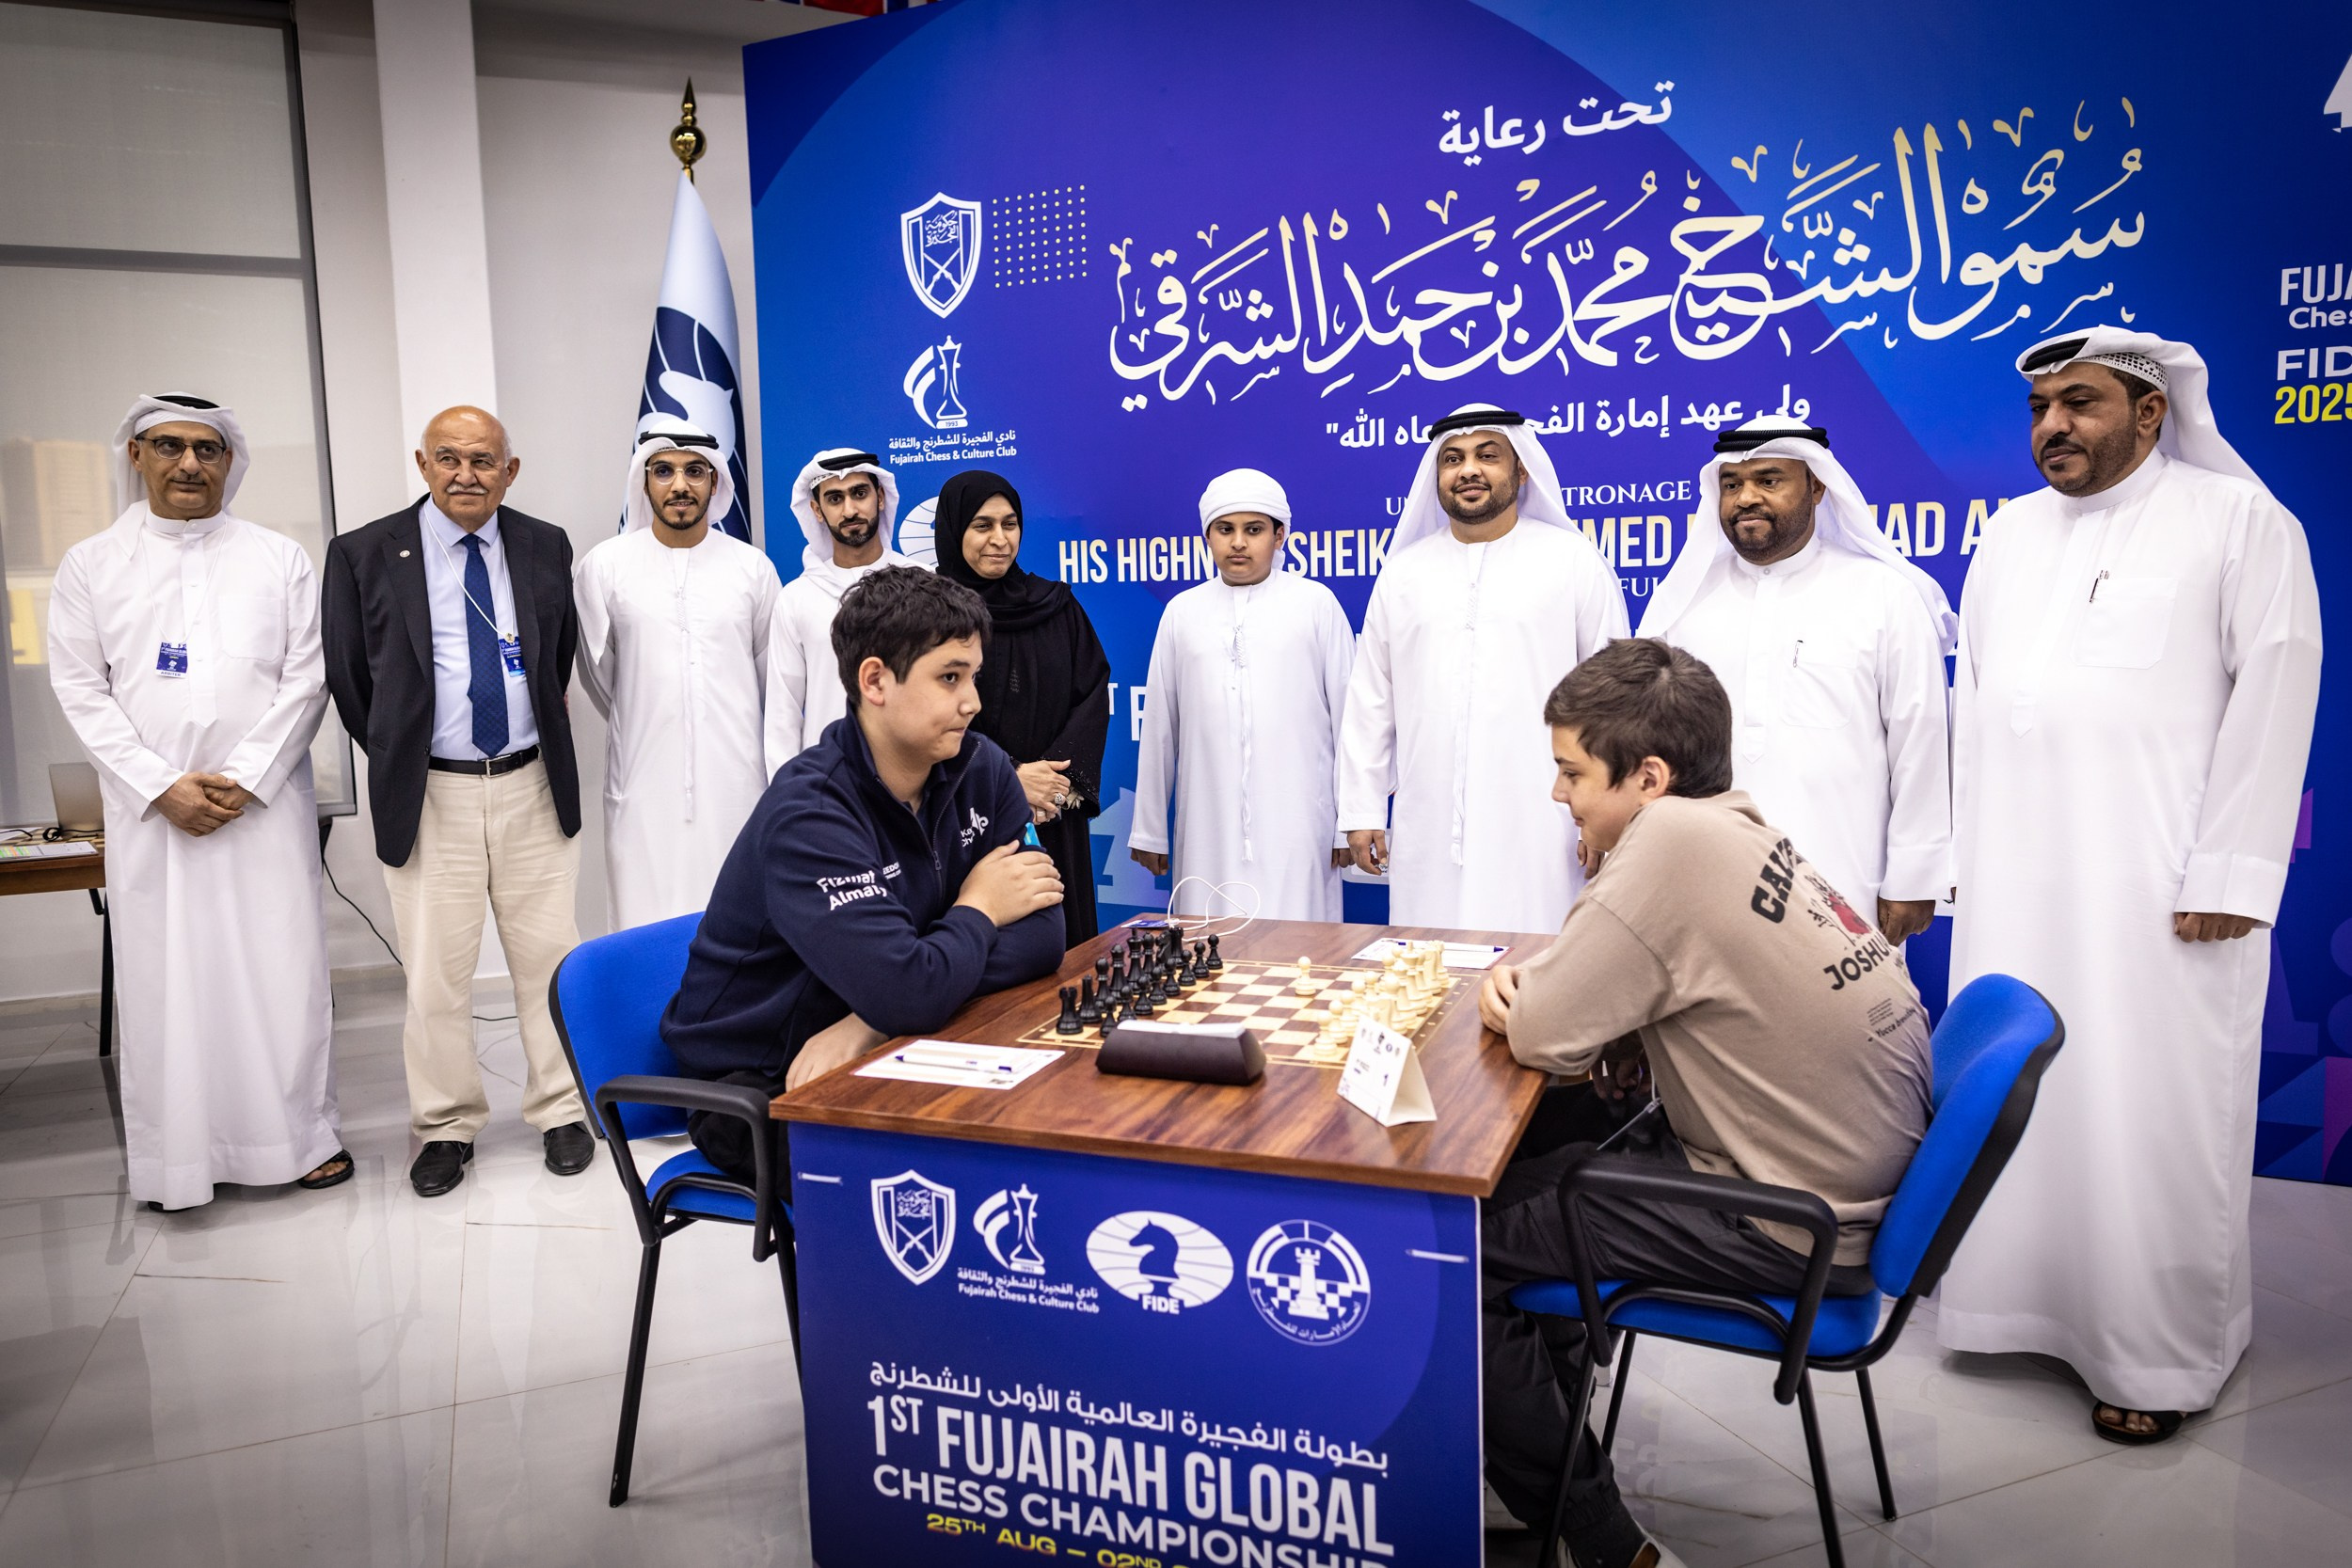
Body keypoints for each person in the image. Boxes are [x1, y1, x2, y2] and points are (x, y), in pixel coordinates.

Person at [1936, 327, 2323, 1444]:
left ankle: (2155, 1351)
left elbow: (2278, 686)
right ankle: (2006, 1306)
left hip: (2161, 893)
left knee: (2148, 1111)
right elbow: (1978, 707)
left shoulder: (2240, 523)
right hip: (2019, 877)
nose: (2052, 426)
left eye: (2081, 403)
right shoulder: (2008, 533)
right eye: (2040, 408)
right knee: (2021, 1093)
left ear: (2150, 414)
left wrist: (2235, 869)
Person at [1478, 638, 1932, 1568]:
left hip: (1792, 1219)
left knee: (1449, 1252)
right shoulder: (1731, 820)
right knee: (1539, 1170)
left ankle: (1599, 1537)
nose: (1558, 795)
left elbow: (1543, 1033)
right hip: (1832, 1182)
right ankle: (1558, 1462)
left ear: (1648, 775)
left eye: (1570, 772)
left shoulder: (1672, 844)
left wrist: (1512, 992)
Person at [662, 566, 1067, 1177]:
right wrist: (980, 906)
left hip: (888, 1034)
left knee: (1045, 1132)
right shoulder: (810, 813)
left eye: (974, 675)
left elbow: (1043, 935)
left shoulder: (983, 768)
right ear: (875, 680)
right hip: (760, 1085)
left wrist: (873, 1018)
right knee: (951, 1174)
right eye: (949, 677)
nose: (973, 702)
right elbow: (912, 985)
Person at [46, 392, 346, 1211]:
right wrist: (159, 786)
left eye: (207, 450)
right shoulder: (91, 565)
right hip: (155, 820)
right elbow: (80, 688)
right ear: (137, 455)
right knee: (166, 986)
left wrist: (245, 776)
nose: (189, 463)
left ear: (229, 463)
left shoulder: (278, 559)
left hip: (262, 809)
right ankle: (180, 1162)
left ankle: (299, 1140)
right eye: (170, 446)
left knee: (281, 972)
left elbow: (308, 678)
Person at [322, 405, 595, 1196]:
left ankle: (560, 1108)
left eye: (483, 461)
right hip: (432, 791)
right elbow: (351, 678)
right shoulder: (364, 552)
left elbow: (556, 653)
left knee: (550, 961)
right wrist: (412, 757)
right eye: (449, 458)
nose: (465, 474)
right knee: (437, 977)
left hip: (533, 784)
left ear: (510, 472)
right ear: (422, 462)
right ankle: (445, 1124)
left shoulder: (544, 544)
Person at [1637, 416, 1955, 938]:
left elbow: (1919, 741)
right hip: (1703, 877)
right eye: (1732, 484)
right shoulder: (1684, 603)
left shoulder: (1882, 594)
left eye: (1769, 480)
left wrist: (1914, 876)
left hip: (1842, 871)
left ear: (1817, 487)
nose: (1745, 498)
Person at [1338, 405, 1628, 931]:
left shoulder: (1572, 561)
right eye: (1453, 459)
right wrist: (1361, 810)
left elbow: (1614, 700)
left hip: (1544, 820)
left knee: (1539, 964)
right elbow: (1370, 700)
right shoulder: (1403, 573)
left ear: (1521, 472)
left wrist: (1604, 815)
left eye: (1487, 456)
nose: (1468, 470)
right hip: (1427, 819)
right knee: (1425, 970)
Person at [575, 419, 779, 927]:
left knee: (738, 922)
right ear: (644, 484)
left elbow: (767, 677)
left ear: (715, 483)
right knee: (644, 924)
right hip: (643, 782)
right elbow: (602, 677)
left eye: (695, 472)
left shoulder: (752, 568)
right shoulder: (604, 566)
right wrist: (652, 711)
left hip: (736, 782)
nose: (680, 485)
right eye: (663, 471)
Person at [1128, 467, 1355, 919]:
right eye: (1225, 530)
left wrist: (1348, 825)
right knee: (1206, 955)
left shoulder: (1316, 604)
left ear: (1280, 535)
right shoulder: (1181, 613)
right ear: (1207, 538)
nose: (1238, 543)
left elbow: (1352, 722)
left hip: (1300, 823)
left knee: (1302, 951)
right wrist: (1150, 829)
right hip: (1207, 826)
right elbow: (1158, 727)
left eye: (1254, 530)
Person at [932, 468, 1111, 945]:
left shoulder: (1055, 605)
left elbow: (1092, 693)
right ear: (954, 529)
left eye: (1009, 524)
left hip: (1054, 812)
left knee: (1066, 954)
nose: (999, 539)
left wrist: (1053, 786)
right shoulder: (928, 616)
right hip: (969, 811)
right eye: (982, 525)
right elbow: (932, 711)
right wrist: (1009, 776)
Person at [765, 447, 919, 769]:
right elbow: (783, 714)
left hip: (914, 779)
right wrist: (791, 801)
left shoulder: (923, 584)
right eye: (835, 499)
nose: (849, 510)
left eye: (859, 493)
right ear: (817, 511)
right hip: (830, 787)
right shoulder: (797, 598)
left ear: (879, 497)